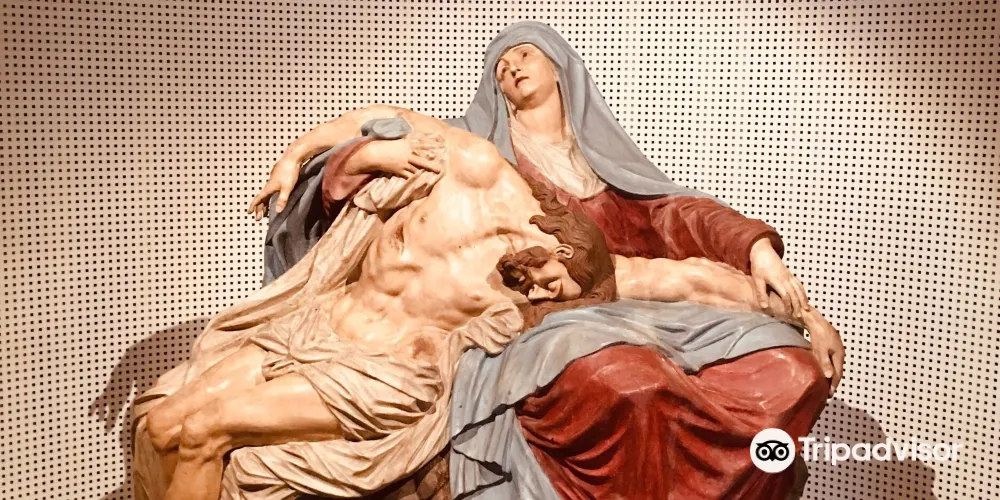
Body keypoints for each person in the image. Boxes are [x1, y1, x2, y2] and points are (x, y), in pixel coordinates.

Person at [248, 21, 845, 499]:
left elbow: (680, 219)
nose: (510, 65)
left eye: (524, 53)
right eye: (499, 64)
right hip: (530, 318)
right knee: (626, 380)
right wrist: (312, 158)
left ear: (562, 69)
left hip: (636, 302)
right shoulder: (481, 157)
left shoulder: (604, 164)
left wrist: (769, 265)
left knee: (790, 367)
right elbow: (375, 140)